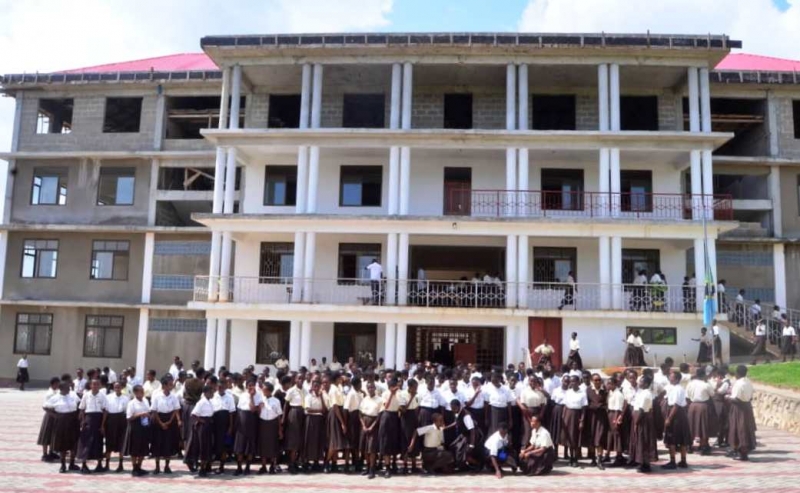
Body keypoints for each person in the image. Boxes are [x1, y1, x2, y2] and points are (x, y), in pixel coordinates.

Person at [150, 377, 182, 474]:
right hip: (158, 420)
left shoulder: (174, 396)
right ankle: (157, 466)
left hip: (170, 421)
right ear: (164, 385)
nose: (171, 386)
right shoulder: (157, 396)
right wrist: (160, 423)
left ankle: (167, 466)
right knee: (157, 443)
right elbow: (154, 410)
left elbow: (176, 409)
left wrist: (170, 421)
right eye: (169, 384)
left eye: (172, 384)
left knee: (168, 443)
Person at [47, 382, 81, 473]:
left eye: (69, 388)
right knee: (63, 444)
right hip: (61, 422)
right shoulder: (55, 398)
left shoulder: (73, 395)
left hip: (73, 420)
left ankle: (72, 464)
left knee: (73, 443)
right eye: (67, 388)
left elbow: (79, 404)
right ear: (61, 388)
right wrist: (54, 416)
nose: (69, 389)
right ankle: (63, 465)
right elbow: (45, 407)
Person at [76, 378, 107, 473]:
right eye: (93, 384)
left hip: (98, 420)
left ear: (100, 385)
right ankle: (84, 465)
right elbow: (82, 409)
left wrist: (102, 425)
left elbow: (105, 411)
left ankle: (99, 465)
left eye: (97, 384)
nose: (95, 386)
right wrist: (82, 421)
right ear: (90, 385)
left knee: (99, 442)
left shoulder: (102, 396)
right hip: (88, 420)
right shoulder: (86, 395)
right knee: (86, 443)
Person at [662, 370, 690, 469]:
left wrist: (669, 418)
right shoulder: (675, 388)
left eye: (672, 377)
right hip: (679, 414)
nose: (670, 378)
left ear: (677, 379)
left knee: (672, 438)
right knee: (681, 439)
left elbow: (676, 405)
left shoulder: (678, 389)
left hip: (676, 415)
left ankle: (673, 461)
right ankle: (683, 461)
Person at [726, 365, 756, 461]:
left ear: (737, 373)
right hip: (747, 407)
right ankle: (744, 453)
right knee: (746, 429)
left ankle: (740, 452)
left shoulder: (738, 384)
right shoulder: (749, 382)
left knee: (738, 429)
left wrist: (728, 398)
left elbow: (736, 398)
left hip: (739, 409)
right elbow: (750, 397)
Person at [234, 379, 261, 475]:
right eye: (249, 385)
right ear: (246, 387)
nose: (251, 387)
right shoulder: (242, 396)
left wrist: (251, 396)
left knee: (250, 447)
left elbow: (253, 409)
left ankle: (248, 467)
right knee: (240, 447)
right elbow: (239, 409)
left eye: (252, 385)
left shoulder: (258, 396)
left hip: (252, 422)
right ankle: (239, 467)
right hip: (242, 422)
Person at [628, 375, 655, 473]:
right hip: (639, 418)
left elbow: (641, 409)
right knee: (640, 441)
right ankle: (641, 462)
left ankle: (646, 464)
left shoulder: (646, 394)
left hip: (642, 419)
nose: (639, 383)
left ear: (646, 384)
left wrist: (636, 422)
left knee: (644, 441)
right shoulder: (642, 392)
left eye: (641, 382)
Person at [379, 377, 404, 478]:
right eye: (392, 387)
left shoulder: (400, 393)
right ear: (389, 387)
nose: (395, 389)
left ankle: (394, 464)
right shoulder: (385, 394)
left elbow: (401, 406)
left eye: (396, 387)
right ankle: (387, 467)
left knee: (394, 442)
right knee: (386, 443)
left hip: (396, 417)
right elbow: (386, 406)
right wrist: (391, 394)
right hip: (387, 416)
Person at [187, 385, 215, 477]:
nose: (212, 394)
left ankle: (206, 466)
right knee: (203, 445)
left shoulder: (209, 402)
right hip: (203, 426)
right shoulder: (202, 402)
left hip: (209, 424)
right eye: (211, 392)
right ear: (206, 392)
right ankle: (202, 468)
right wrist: (201, 420)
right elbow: (194, 414)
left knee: (208, 445)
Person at [123, 385, 151, 476]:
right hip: (135, 427)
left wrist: (147, 415)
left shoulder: (145, 401)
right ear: (135, 392)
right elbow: (129, 417)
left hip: (144, 426)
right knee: (135, 448)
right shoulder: (132, 403)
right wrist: (140, 414)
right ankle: (134, 467)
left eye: (143, 391)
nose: (143, 393)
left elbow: (148, 411)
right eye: (141, 391)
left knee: (143, 447)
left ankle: (139, 466)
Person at [211, 378, 236, 474]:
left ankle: (221, 466)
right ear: (216, 386)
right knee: (213, 444)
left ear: (226, 387)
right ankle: (210, 465)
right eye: (219, 386)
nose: (220, 388)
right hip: (214, 423)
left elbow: (231, 414)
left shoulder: (229, 398)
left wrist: (230, 427)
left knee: (224, 447)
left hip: (225, 424)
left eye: (222, 386)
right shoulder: (213, 396)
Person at [561, 375, 587, 468]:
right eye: (571, 382)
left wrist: (582, 420)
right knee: (569, 437)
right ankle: (570, 457)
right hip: (568, 415)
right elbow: (565, 406)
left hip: (577, 415)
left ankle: (575, 458)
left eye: (574, 381)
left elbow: (584, 408)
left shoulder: (582, 393)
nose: (572, 383)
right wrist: (563, 417)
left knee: (575, 437)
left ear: (578, 382)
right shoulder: (568, 392)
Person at [324, 372, 348, 473]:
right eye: (340, 378)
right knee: (334, 442)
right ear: (337, 378)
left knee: (336, 442)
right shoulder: (333, 389)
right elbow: (335, 406)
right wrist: (342, 422)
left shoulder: (338, 387)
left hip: (339, 413)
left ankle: (334, 463)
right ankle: (327, 462)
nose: (342, 379)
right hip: (335, 414)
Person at [257, 382, 283, 474]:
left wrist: (280, 429)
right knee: (263, 445)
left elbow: (279, 416)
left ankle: (272, 465)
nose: (262, 391)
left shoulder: (276, 401)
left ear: (269, 391)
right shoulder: (260, 399)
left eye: (264, 389)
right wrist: (259, 408)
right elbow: (257, 413)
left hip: (273, 424)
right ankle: (263, 465)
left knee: (273, 445)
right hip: (263, 423)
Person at [103, 382, 129, 473]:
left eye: (119, 386)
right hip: (111, 420)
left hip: (122, 420)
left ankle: (120, 465)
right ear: (113, 388)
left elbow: (127, 411)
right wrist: (103, 424)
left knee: (121, 442)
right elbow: (106, 411)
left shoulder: (126, 398)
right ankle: (107, 464)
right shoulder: (108, 397)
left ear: (121, 387)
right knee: (109, 442)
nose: (117, 388)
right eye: (115, 387)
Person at [282, 374, 305, 473]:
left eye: (302, 378)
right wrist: (283, 418)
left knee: (300, 439)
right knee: (293, 440)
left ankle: (296, 462)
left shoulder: (305, 390)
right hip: (294, 413)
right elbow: (286, 405)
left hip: (303, 413)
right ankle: (291, 463)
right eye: (299, 378)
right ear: (295, 380)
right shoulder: (291, 391)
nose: (301, 380)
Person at [359, 381, 382, 479]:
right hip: (364, 424)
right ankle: (367, 467)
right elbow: (360, 414)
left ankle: (372, 469)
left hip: (374, 425)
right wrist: (363, 425)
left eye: (372, 387)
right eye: (368, 388)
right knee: (364, 448)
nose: (370, 389)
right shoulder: (364, 399)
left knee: (372, 449)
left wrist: (372, 426)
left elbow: (379, 416)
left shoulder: (379, 400)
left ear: (375, 388)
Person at [304, 378, 327, 472]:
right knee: (310, 441)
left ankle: (316, 462)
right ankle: (306, 462)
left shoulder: (322, 396)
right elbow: (308, 409)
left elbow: (324, 409)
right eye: (315, 386)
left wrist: (321, 397)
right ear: (312, 387)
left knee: (318, 441)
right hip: (311, 420)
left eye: (318, 386)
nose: (316, 388)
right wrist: (319, 411)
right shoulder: (308, 397)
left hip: (320, 420)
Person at [586, 373, 608, 470]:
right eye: (595, 380)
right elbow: (586, 403)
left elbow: (607, 403)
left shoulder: (605, 391)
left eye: (599, 380)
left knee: (600, 437)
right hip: (591, 417)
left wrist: (601, 406)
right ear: (592, 380)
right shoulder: (588, 390)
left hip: (601, 417)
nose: (598, 382)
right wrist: (593, 406)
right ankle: (593, 458)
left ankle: (600, 460)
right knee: (591, 437)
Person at [343, 376, 364, 473]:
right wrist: (345, 423)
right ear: (356, 385)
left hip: (358, 418)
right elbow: (346, 409)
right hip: (351, 419)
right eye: (360, 384)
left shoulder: (359, 393)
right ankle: (347, 464)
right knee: (349, 444)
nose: (361, 386)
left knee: (356, 443)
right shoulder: (351, 394)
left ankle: (356, 463)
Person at [605, 377, 626, 467]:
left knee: (617, 436)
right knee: (610, 436)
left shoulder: (618, 394)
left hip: (615, 414)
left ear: (614, 384)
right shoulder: (610, 392)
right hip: (609, 413)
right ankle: (607, 455)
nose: (608, 385)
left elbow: (618, 408)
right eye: (607, 383)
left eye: (610, 383)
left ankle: (619, 456)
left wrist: (616, 420)